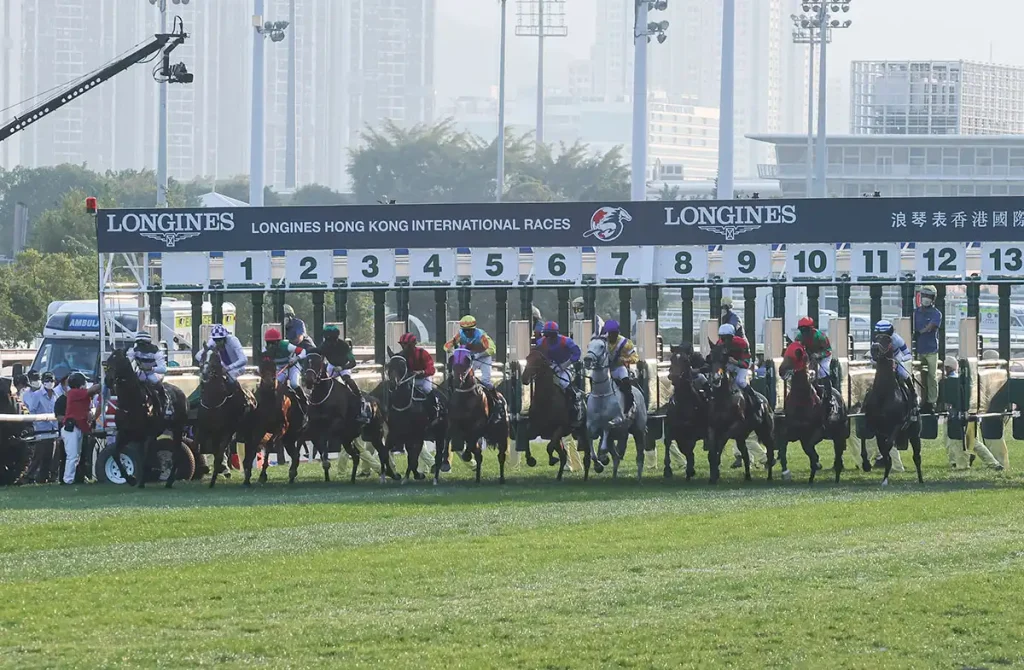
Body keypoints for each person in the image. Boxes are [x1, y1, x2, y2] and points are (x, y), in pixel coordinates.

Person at [940, 357, 1003, 471]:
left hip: (958, 416)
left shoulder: (951, 381)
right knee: (973, 441)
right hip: (972, 414)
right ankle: (993, 463)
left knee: (957, 441)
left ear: (948, 368)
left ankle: (961, 465)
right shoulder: (966, 380)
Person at [320, 325, 370, 424]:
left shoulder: (344, 346)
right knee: (321, 382)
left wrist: (342, 368)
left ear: (336, 338)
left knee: (348, 381)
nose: (329, 343)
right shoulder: (324, 345)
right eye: (327, 340)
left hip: (344, 366)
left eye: (331, 340)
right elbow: (320, 359)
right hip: (331, 366)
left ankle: (361, 402)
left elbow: (353, 363)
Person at [536, 321, 583, 423]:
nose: (548, 338)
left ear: (556, 334)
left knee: (563, 383)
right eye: (547, 335)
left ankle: (575, 404)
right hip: (550, 366)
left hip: (566, 367)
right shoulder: (541, 342)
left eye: (551, 335)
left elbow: (577, 353)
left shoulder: (566, 341)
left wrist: (565, 364)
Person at [59, 372, 101, 485]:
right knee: (72, 456)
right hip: (71, 429)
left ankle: (71, 479)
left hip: (77, 428)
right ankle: (67, 480)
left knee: (75, 457)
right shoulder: (73, 393)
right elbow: (93, 390)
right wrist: (103, 383)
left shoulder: (80, 394)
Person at [872, 319, 917, 410]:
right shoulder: (875, 341)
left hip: (896, 360)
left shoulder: (897, 339)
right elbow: (873, 356)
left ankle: (913, 396)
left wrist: (899, 361)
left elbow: (908, 355)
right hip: (882, 363)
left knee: (903, 374)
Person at [23, 371, 59, 483]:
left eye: (51, 380)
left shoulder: (56, 394)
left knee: (50, 456)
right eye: (47, 380)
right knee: (39, 455)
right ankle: (29, 477)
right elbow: (32, 411)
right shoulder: (37, 395)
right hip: (41, 430)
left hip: (53, 430)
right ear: (43, 382)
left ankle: (43, 478)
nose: (50, 382)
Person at [600, 320, 640, 417]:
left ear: (618, 333)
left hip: (619, 368)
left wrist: (625, 359)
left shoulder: (625, 343)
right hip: (605, 369)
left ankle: (630, 405)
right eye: (610, 333)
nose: (612, 336)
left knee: (625, 383)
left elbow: (635, 358)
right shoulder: (602, 341)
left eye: (614, 333)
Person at [398, 332, 442, 421]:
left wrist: (421, 372)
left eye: (406, 345)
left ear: (413, 344)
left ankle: (434, 409)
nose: (404, 347)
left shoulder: (422, 353)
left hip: (424, 379)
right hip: (409, 379)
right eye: (402, 345)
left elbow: (431, 369)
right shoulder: (401, 355)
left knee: (427, 389)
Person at [263, 327, 309, 409]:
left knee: (294, 384)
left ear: (278, 342)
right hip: (280, 368)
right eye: (269, 343)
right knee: (275, 385)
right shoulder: (265, 350)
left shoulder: (286, 346)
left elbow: (303, 351)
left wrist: (296, 358)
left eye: (272, 343)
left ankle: (304, 401)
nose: (270, 346)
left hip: (293, 367)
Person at [914, 285, 942, 414]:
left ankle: (932, 402)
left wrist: (920, 332)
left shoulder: (936, 314)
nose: (926, 299)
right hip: (918, 350)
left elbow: (930, 327)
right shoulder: (915, 313)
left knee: (932, 376)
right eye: (924, 296)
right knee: (916, 375)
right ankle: (917, 400)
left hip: (931, 350)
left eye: (928, 296)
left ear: (933, 299)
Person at [128, 332, 168, 416]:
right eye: (139, 344)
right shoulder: (134, 351)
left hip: (154, 373)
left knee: (154, 382)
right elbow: (128, 361)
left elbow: (164, 369)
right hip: (141, 372)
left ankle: (164, 402)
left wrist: (151, 368)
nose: (140, 347)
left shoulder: (157, 353)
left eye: (142, 344)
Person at [795, 316, 834, 395]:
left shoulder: (820, 336)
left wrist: (818, 355)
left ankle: (828, 395)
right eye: (802, 330)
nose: (804, 333)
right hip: (809, 357)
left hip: (824, 357)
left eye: (806, 330)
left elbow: (828, 351)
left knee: (822, 371)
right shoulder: (799, 337)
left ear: (811, 329)